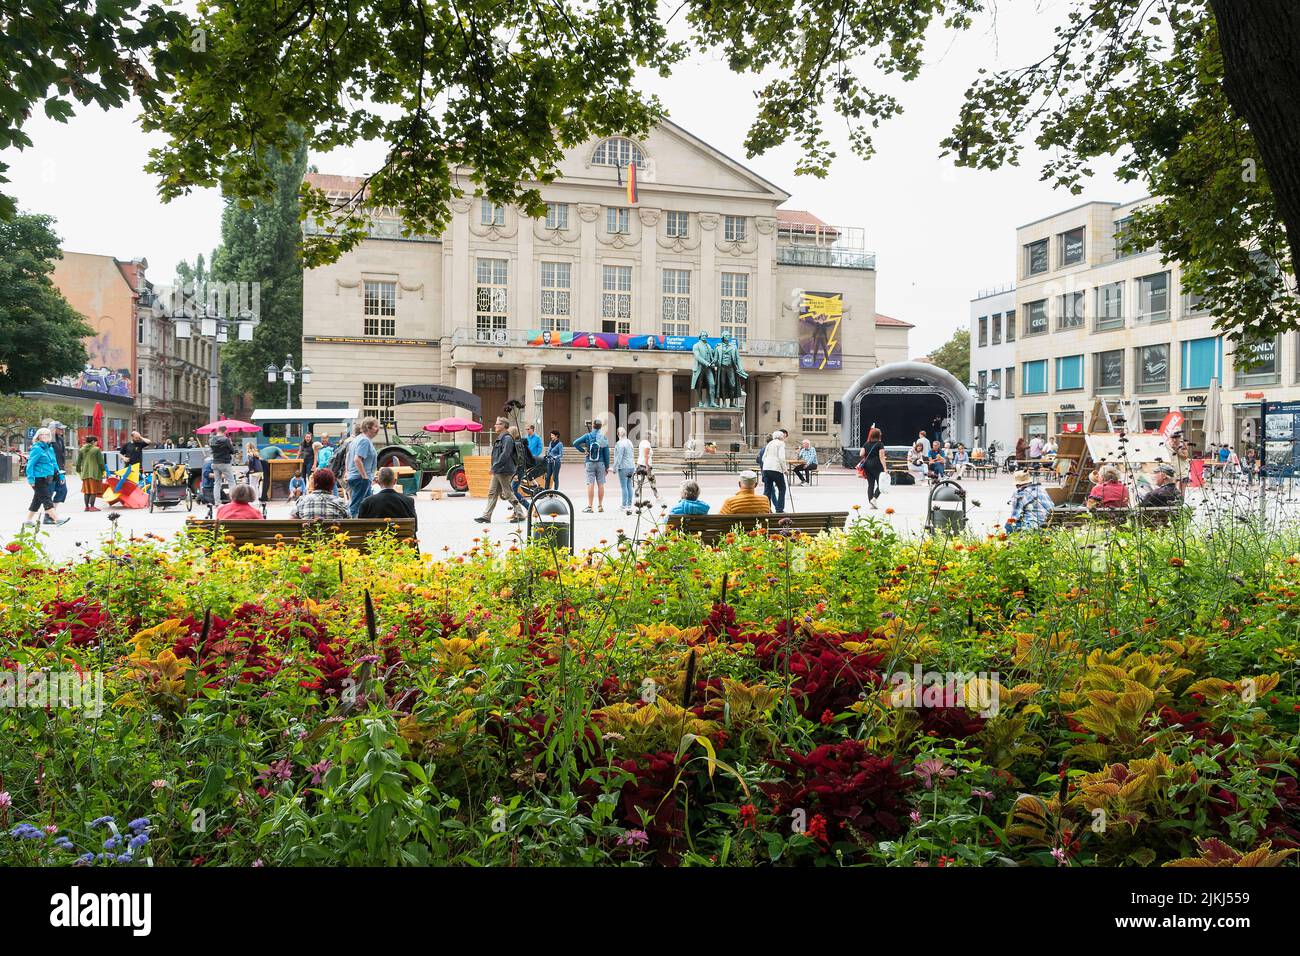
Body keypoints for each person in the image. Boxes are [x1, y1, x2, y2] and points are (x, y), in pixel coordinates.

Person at [476, 417, 525, 524]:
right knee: (492, 492)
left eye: (497, 424)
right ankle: (486, 516)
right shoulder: (501, 437)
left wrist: (495, 467)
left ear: (503, 426)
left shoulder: (507, 438)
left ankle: (520, 514)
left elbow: (505, 454)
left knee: (508, 493)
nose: (495, 426)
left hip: (504, 470)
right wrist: (495, 467)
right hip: (498, 470)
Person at [23, 428, 69, 526]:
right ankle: (56, 520)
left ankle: (27, 521)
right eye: (42, 434)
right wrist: (31, 479)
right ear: (38, 436)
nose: (45, 436)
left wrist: (60, 475)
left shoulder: (50, 448)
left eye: (47, 434)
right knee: (46, 499)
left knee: (37, 500)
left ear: (49, 437)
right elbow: (30, 465)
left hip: (48, 478)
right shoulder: (36, 448)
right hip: (38, 479)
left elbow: (54, 463)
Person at [572, 419, 610, 513]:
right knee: (601, 484)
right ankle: (600, 506)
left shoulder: (587, 436)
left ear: (593, 426)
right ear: (601, 427)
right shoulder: (603, 437)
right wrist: (607, 466)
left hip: (589, 462)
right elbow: (607, 453)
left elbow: (575, 443)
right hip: (601, 462)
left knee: (590, 484)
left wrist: (583, 451)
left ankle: (590, 506)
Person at [346, 416, 381, 517]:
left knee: (368, 505)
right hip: (360, 478)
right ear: (368, 427)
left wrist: (348, 472)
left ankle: (367, 526)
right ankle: (350, 526)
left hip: (357, 477)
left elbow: (348, 456)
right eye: (375, 426)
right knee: (356, 506)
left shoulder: (358, 439)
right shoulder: (364, 441)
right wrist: (365, 476)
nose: (378, 429)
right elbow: (357, 459)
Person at [207, 425, 237, 505]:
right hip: (225, 463)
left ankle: (217, 502)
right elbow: (232, 451)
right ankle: (233, 501)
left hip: (215, 462)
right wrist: (230, 443)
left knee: (217, 483)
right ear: (225, 431)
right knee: (231, 482)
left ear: (217, 430)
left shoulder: (211, 439)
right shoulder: (226, 440)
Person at [75, 434, 105, 512]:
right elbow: (101, 462)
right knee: (93, 491)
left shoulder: (81, 449)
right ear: (92, 442)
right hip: (94, 473)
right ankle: (92, 506)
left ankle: (86, 507)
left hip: (85, 473)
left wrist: (78, 471)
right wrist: (103, 471)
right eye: (96, 442)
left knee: (86, 491)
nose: (96, 443)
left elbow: (78, 462)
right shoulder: (96, 450)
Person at [858, 427, 887, 506]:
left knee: (870, 485)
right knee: (881, 484)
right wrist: (885, 468)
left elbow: (861, 454)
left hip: (867, 465)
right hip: (877, 465)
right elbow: (882, 457)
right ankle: (874, 499)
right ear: (878, 435)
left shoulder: (866, 443)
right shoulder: (880, 444)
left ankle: (871, 501)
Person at [760, 429, 788, 513]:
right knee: (782, 488)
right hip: (776, 468)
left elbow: (763, 457)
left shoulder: (770, 443)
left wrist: (767, 465)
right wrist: (785, 470)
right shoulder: (781, 443)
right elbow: (781, 458)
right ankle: (779, 509)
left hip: (766, 468)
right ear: (781, 437)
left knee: (767, 490)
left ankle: (766, 509)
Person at [611, 426, 636, 514]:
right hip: (631, 467)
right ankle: (629, 505)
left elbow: (619, 457)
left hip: (624, 467)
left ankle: (624, 505)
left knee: (624, 486)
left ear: (618, 434)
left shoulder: (619, 443)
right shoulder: (630, 442)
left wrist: (614, 467)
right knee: (629, 485)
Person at [49, 422, 69, 505]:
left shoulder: (60, 439)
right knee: (48, 493)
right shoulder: (48, 440)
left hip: (60, 470)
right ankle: (49, 514)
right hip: (50, 471)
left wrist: (62, 469)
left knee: (62, 491)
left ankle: (50, 514)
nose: (62, 430)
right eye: (60, 428)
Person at [636, 432, 659, 501]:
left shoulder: (642, 442)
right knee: (652, 480)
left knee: (641, 481)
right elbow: (646, 455)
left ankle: (636, 493)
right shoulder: (647, 444)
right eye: (652, 437)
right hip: (646, 465)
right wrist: (647, 466)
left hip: (640, 464)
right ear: (649, 437)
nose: (653, 439)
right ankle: (657, 495)